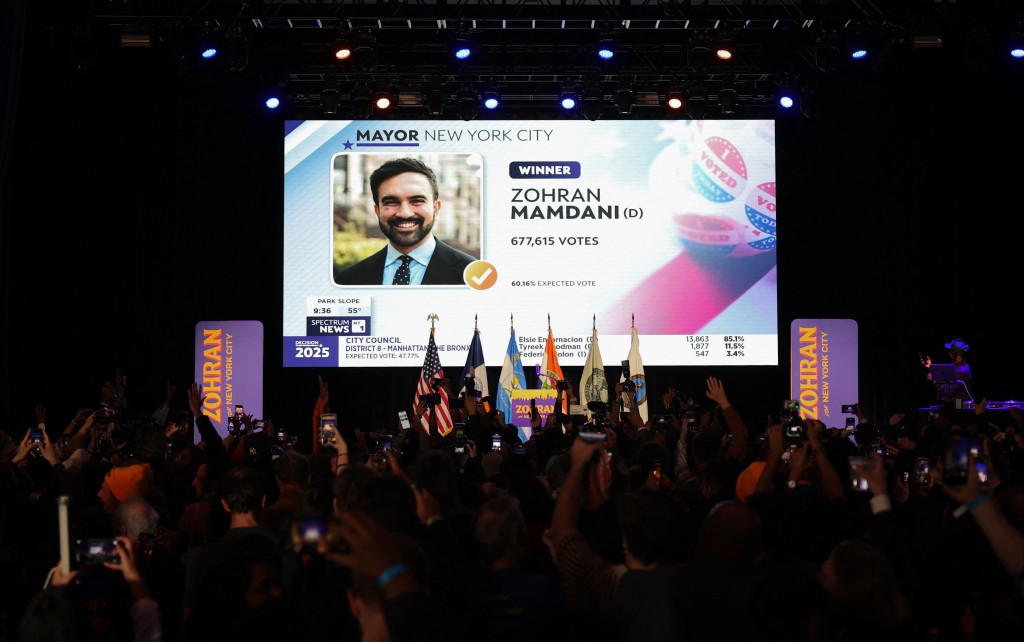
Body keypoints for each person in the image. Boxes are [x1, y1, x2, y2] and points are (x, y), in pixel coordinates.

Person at [333, 157, 476, 286]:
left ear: (436, 209)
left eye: (417, 201)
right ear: (377, 210)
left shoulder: (473, 276)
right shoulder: (348, 279)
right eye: (391, 202)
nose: (404, 213)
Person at [922, 338, 973, 405]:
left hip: (957, 408)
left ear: (954, 353)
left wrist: (934, 378)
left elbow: (948, 391)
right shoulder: (953, 365)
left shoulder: (962, 371)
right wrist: (930, 366)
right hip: (949, 406)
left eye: (950, 350)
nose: (949, 352)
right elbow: (942, 377)